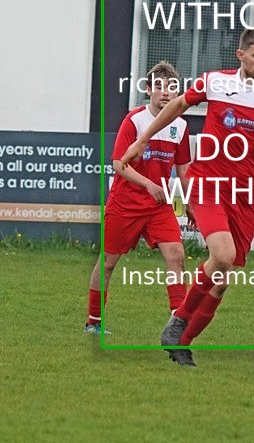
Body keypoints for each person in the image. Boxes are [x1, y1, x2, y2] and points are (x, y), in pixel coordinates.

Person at [119, 27, 254, 366]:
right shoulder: (215, 82)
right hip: (207, 183)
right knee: (223, 255)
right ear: (240, 55)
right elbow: (178, 106)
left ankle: (181, 343)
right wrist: (143, 140)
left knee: (221, 281)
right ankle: (179, 320)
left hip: (244, 195)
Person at [85, 61, 192, 335]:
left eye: (171, 88)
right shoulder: (134, 120)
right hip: (126, 203)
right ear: (148, 90)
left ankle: (177, 325)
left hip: (158, 206)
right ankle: (94, 322)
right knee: (108, 262)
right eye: (159, 86)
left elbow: (183, 170)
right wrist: (147, 184)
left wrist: (191, 204)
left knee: (176, 254)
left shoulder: (180, 126)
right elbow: (119, 164)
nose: (165, 93)